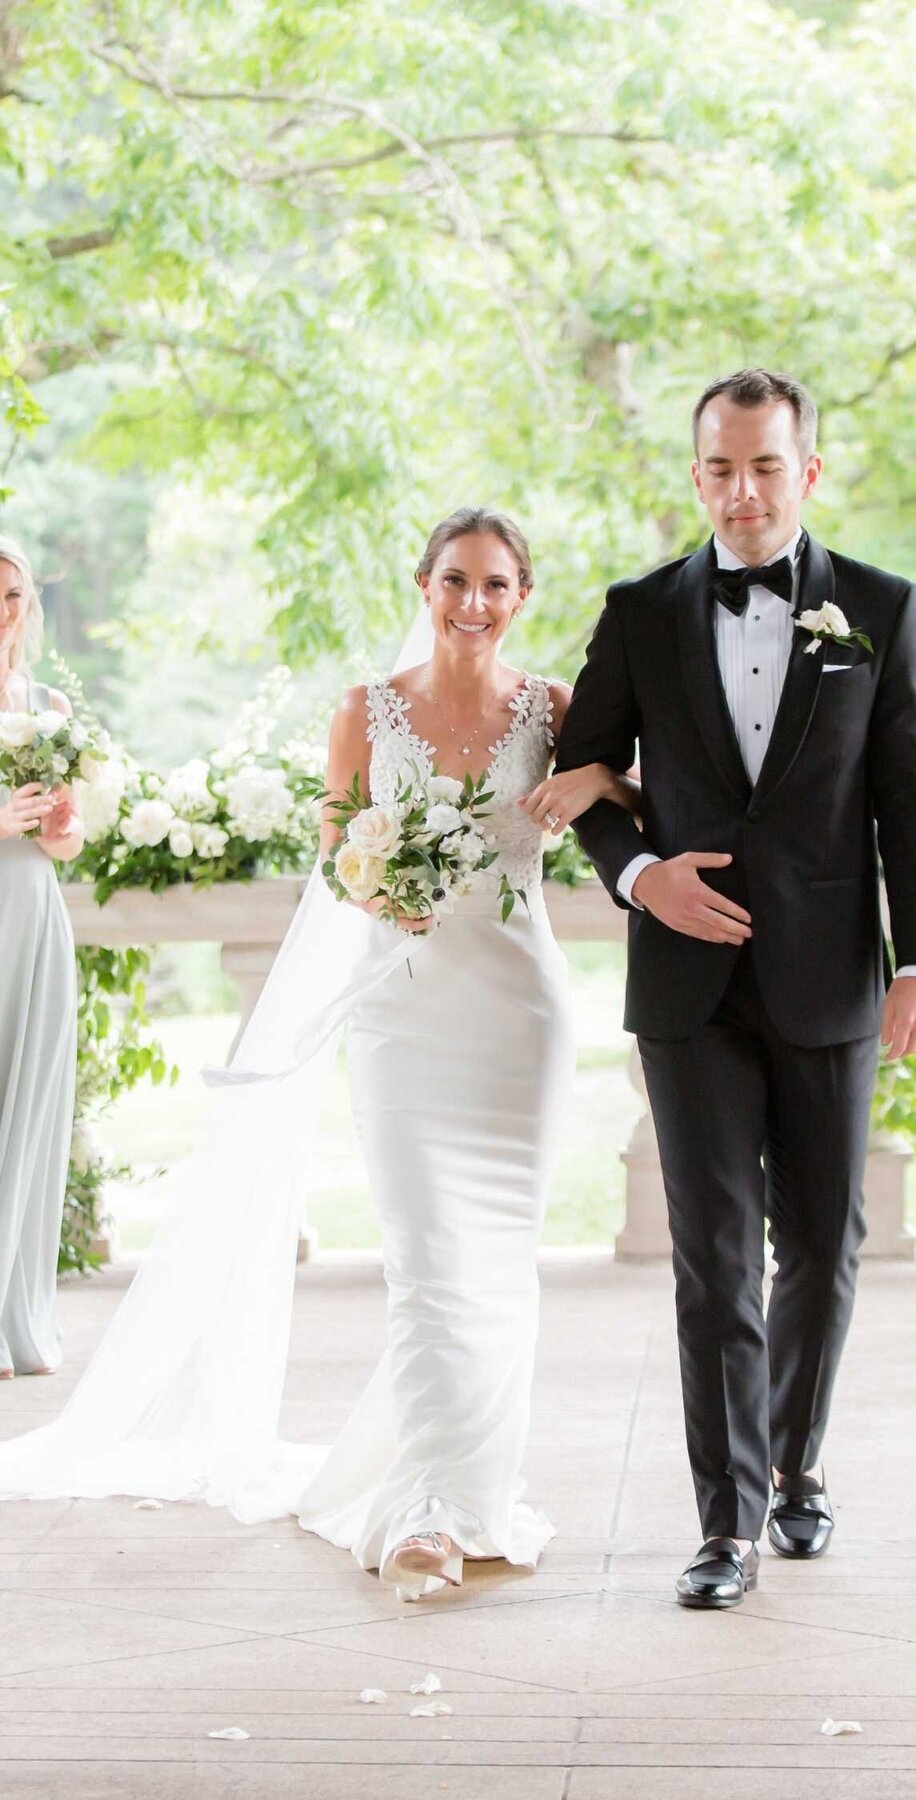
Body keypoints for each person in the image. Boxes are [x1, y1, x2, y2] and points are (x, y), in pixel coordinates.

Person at [0, 508, 634, 1601]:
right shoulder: (366, 710)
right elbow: (338, 847)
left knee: (496, 1264)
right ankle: (421, 1512)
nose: (472, 603)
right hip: (402, 1010)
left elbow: (637, 802)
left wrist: (600, 782)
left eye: (494, 585)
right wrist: (378, 876)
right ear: (423, 585)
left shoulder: (557, 710)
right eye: (454, 581)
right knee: (426, 1258)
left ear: (522, 596)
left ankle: (470, 1491)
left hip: (519, 1012)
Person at [555, 369, 916, 1609]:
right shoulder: (638, 612)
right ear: (696, 475)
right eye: (720, 468)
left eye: (765, 466)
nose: (742, 491)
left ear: (808, 472)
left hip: (831, 977)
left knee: (824, 1243)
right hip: (687, 987)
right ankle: (723, 1524)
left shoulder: (881, 609)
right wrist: (640, 878)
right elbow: (582, 783)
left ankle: (798, 1466)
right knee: (712, 1259)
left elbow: (911, 800)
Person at [0, 534, 84, 1379]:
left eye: (13, 595)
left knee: (29, 1111)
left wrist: (60, 828)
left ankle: (16, 1313)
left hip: (31, 914)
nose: (1, 611)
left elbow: (69, 839)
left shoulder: (50, 703)